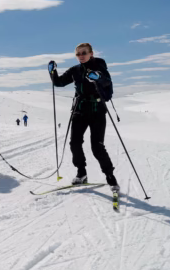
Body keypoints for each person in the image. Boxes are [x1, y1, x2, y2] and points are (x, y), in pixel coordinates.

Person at [48, 43, 119, 192]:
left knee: (97, 147)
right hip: (80, 110)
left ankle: (110, 177)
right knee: (75, 143)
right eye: (78, 54)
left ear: (91, 53)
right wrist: (53, 72)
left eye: (84, 53)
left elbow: (107, 81)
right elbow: (59, 83)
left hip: (97, 110)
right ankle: (81, 173)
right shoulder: (75, 70)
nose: (81, 56)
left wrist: (98, 77)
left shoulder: (100, 67)